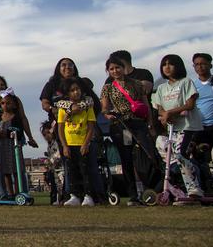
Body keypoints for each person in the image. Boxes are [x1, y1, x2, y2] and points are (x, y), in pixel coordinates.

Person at [39, 57, 104, 202]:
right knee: (67, 164)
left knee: (89, 164)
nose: (67, 67)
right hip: (62, 129)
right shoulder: (52, 84)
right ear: (58, 68)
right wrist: (60, 108)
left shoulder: (80, 83)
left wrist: (81, 106)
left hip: (83, 131)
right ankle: (70, 195)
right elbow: (44, 103)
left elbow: (95, 103)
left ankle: (95, 195)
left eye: (70, 65)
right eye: (63, 65)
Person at [100, 55, 157, 206]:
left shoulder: (137, 84)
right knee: (127, 157)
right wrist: (108, 115)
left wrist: (150, 124)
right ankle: (133, 194)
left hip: (138, 123)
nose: (115, 71)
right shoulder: (108, 87)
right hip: (122, 125)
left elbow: (146, 104)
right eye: (111, 69)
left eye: (117, 67)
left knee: (146, 154)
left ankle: (152, 189)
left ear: (123, 68)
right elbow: (104, 108)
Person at [152, 54, 204, 199]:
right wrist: (164, 116)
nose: (167, 67)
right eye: (164, 64)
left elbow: (190, 104)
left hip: (188, 126)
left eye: (170, 64)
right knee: (165, 149)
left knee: (181, 153)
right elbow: (159, 107)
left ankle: (194, 189)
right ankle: (176, 185)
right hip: (171, 129)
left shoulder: (186, 82)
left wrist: (171, 113)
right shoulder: (162, 88)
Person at [57, 78, 97, 206]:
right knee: (71, 170)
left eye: (77, 89)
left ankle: (88, 195)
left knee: (85, 170)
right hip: (69, 144)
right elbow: (60, 128)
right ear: (68, 93)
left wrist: (86, 143)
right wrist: (64, 145)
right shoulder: (63, 108)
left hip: (82, 143)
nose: (76, 92)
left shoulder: (87, 106)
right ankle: (74, 196)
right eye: (72, 90)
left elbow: (91, 126)